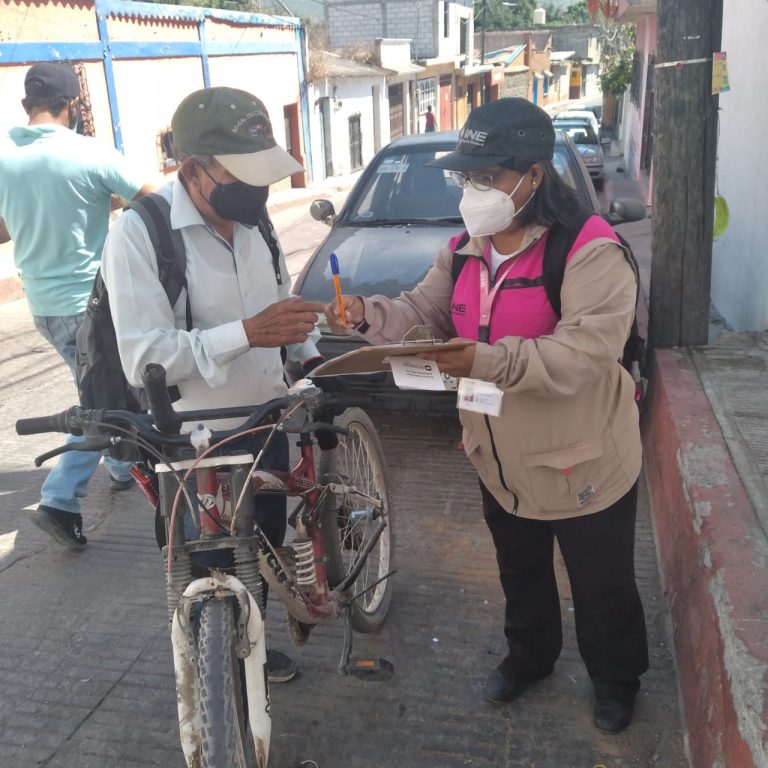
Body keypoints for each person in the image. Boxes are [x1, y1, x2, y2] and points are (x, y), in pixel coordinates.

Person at [325, 98, 648, 734]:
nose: (475, 190)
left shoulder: (589, 250)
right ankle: (531, 657)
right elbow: (424, 312)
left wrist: (487, 360)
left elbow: (585, 354)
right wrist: (364, 313)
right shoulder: (465, 249)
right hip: (498, 456)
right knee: (520, 571)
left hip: (580, 459)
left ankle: (615, 679)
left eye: (488, 176)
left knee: (601, 584)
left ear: (533, 173)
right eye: (467, 176)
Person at [101, 86, 327, 682]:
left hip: (266, 420)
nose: (257, 190)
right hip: (190, 441)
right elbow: (143, 356)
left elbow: (280, 307)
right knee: (204, 565)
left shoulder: (257, 225)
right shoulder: (139, 233)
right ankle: (215, 672)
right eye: (241, 175)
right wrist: (245, 334)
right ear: (192, 167)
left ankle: (253, 639)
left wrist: (311, 355)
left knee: (264, 550)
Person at [0, 62, 154, 550]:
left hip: (42, 303)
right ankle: (60, 500)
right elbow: (153, 201)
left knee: (101, 385)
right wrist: (107, 205)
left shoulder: (3, 154)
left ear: (28, 106)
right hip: (89, 303)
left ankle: (120, 463)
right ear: (73, 105)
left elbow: (5, 227)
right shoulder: (89, 155)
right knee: (102, 403)